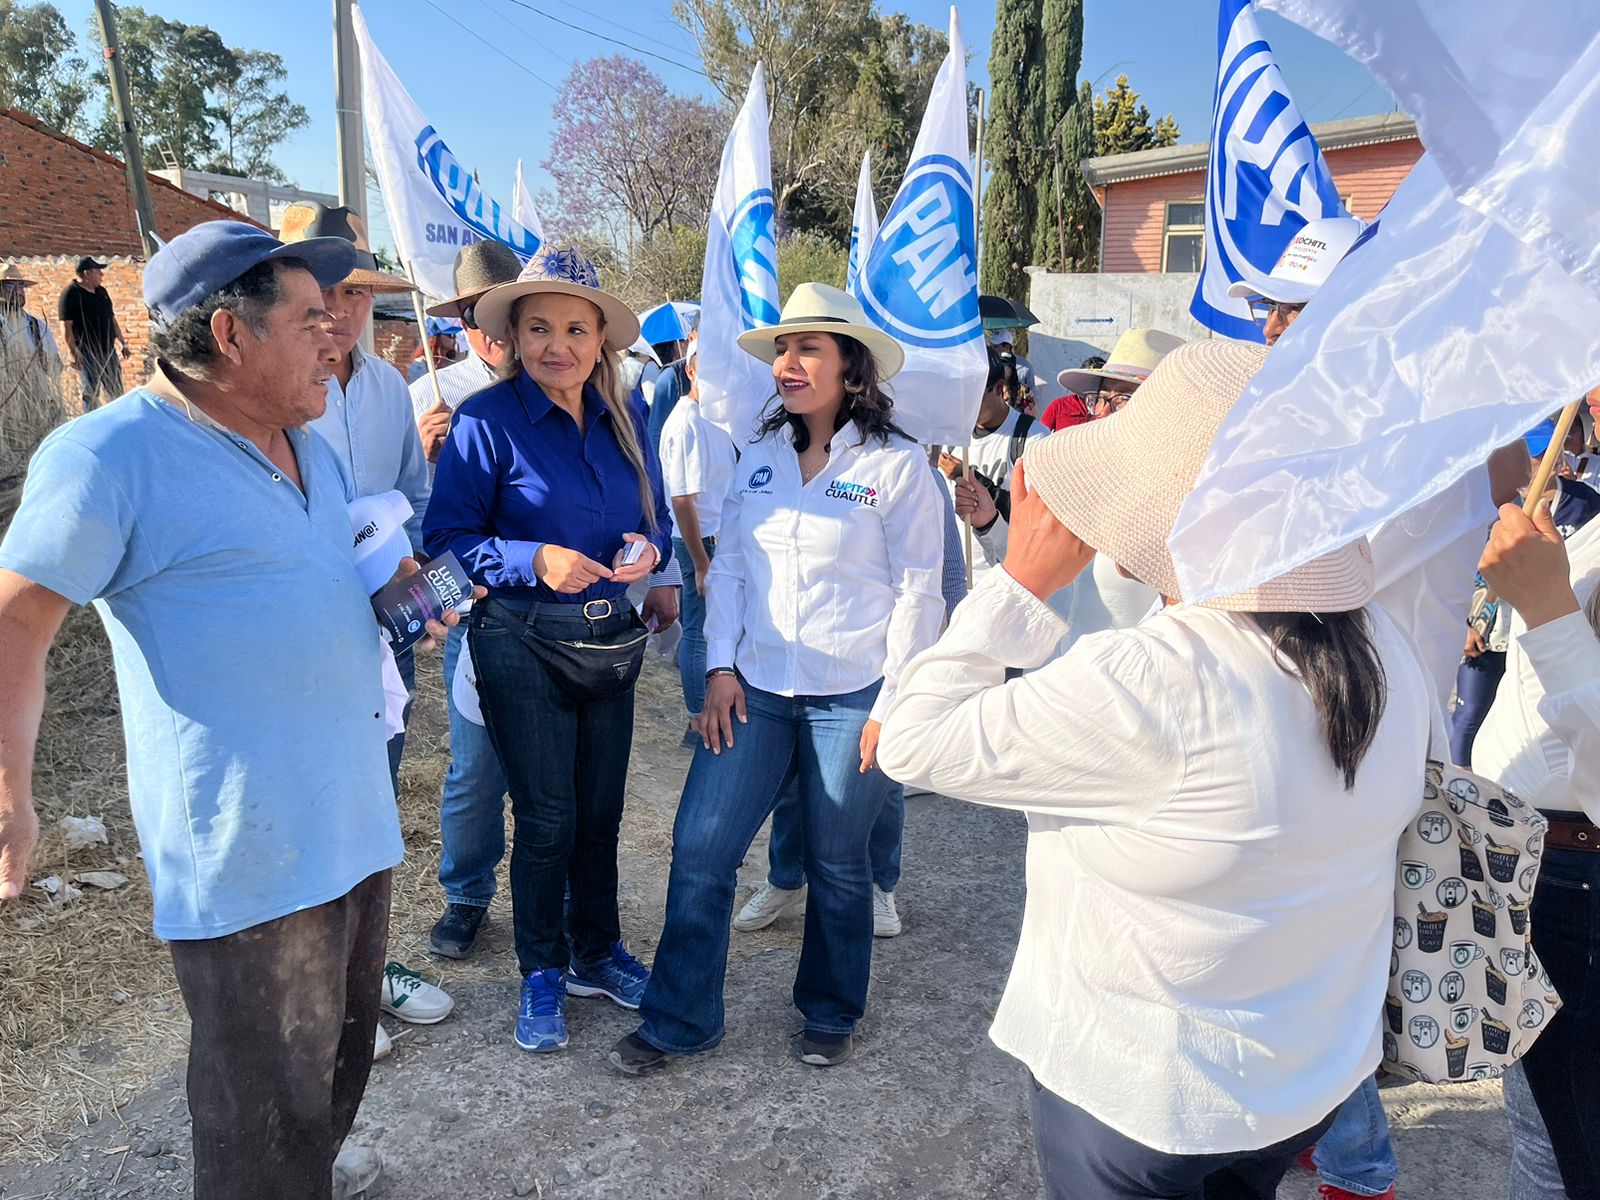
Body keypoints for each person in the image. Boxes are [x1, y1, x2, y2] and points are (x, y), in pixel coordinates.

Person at [877, 340, 1435, 1200]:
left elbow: (911, 737)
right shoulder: (1380, 643)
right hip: (1308, 1074)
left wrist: (1020, 584)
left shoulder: (1156, 681)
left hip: (1146, 1095)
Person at [0, 220, 475, 1200]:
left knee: (336, 1065)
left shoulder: (311, 442)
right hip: (247, 858)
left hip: (351, 817)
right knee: (259, 1106)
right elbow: (14, 622)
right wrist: (10, 792)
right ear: (229, 334)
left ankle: (308, 1173)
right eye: (311, 318)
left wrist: (395, 602)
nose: (339, 334)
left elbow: (319, 570)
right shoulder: (109, 457)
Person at [607, 283, 945, 1076]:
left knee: (836, 863)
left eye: (808, 350)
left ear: (850, 367)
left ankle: (830, 1010)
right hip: (753, 690)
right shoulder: (756, 461)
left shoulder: (898, 468)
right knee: (700, 847)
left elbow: (919, 592)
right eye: (782, 352)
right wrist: (719, 665)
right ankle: (681, 1017)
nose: (788, 364)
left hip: (853, 694)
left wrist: (891, 705)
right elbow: (726, 578)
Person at [424, 246, 676, 1053]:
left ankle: (594, 952)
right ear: (515, 335)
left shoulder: (629, 415)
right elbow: (448, 545)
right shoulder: (483, 422)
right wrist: (533, 559)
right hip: (519, 641)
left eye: (574, 328)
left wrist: (646, 548)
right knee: (546, 818)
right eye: (538, 328)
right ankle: (541, 966)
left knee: (600, 811)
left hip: (606, 639)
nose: (556, 345)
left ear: (600, 337)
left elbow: (660, 519)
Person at [1473, 386, 1600, 1200]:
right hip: (1543, 871)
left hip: (1578, 888)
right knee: (1543, 1140)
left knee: (1565, 1157)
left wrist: (1549, 610)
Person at [280, 204, 432, 793]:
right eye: (324, 290)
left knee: (379, 787)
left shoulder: (392, 385)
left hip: (392, 621)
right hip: (307, 629)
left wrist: (415, 589)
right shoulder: (266, 400)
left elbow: (413, 495)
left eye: (357, 292)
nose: (340, 309)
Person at [408, 241, 522, 959]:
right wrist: (425, 456)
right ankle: (467, 895)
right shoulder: (430, 392)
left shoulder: (562, 383)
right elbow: (412, 519)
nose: (495, 330)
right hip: (470, 601)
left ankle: (563, 902)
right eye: (476, 316)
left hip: (550, 608)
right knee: (474, 766)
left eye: (505, 312)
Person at [659, 343, 737, 734]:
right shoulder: (687, 420)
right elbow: (681, 499)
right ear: (690, 371)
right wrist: (702, 562)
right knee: (699, 631)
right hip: (698, 540)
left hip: (713, 536)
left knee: (712, 627)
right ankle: (696, 718)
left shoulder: (713, 418)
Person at [937, 345, 1047, 579]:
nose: (963, 407)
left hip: (1007, 579)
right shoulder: (951, 438)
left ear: (999, 388)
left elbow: (1036, 518)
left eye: (972, 397)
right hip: (959, 579)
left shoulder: (1033, 438)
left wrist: (966, 475)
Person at [58, 255, 130, 409]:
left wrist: (123, 343)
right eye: (98, 271)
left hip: (108, 350)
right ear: (87, 273)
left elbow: (112, 319)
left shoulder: (101, 292)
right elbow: (66, 327)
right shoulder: (70, 294)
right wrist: (73, 352)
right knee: (91, 392)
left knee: (115, 390)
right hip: (87, 352)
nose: (102, 275)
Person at [0, 263, 60, 373]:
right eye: (10, 286)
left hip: (35, 388)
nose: (18, 291)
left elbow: (56, 367)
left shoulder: (38, 326)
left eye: (21, 286)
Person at [1038, 355, 1102, 432]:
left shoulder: (1110, 408)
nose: (1091, 385)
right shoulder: (1058, 406)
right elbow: (1040, 435)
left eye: (1097, 381)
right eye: (1087, 380)